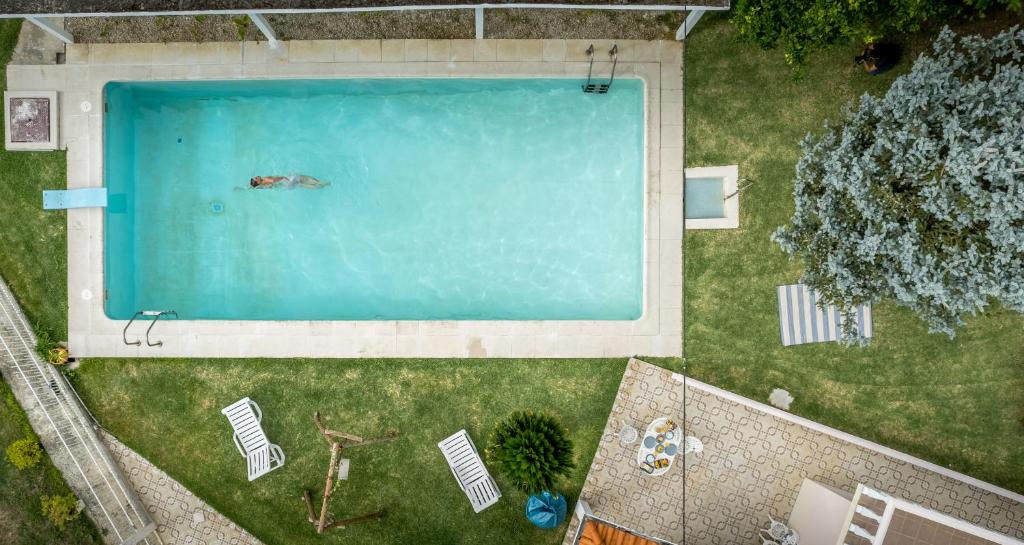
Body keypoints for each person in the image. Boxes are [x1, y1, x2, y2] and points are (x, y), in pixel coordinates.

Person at [249, 174, 329, 189]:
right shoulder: (265, 179)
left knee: (301, 185)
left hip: (285, 186)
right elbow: (273, 180)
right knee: (303, 179)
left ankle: (321, 186)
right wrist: (283, 177)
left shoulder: (261, 186)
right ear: (258, 182)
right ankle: (322, 184)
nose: (256, 177)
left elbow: (252, 187)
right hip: (287, 181)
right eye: (256, 178)